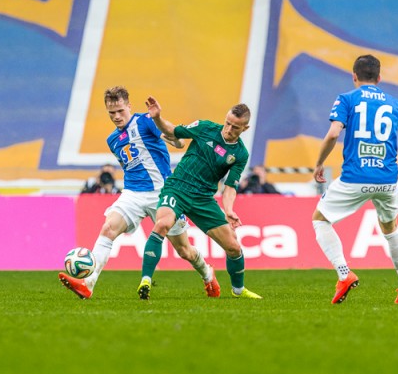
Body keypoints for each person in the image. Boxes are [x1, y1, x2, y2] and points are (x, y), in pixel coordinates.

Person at [58, 86, 220, 300]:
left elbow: (179, 142)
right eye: (111, 113)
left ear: (129, 106)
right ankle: (87, 284)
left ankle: (207, 273)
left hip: (163, 192)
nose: (116, 116)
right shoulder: (112, 140)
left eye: (120, 111)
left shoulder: (145, 121)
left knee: (184, 250)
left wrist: (160, 121)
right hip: (132, 193)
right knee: (108, 228)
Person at [312, 54, 398, 305]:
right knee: (391, 228)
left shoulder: (346, 99)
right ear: (379, 77)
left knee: (320, 219)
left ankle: (344, 273)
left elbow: (333, 134)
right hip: (387, 180)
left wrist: (320, 162)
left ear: (354, 76)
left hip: (355, 178)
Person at [139, 97, 262, 300]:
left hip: (203, 198)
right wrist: (158, 117)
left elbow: (230, 187)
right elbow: (172, 131)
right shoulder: (205, 127)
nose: (228, 129)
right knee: (162, 224)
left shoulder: (240, 153)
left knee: (233, 247)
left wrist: (229, 210)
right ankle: (145, 281)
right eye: (227, 123)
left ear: (245, 128)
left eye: (235, 127)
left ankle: (238, 291)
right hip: (177, 188)